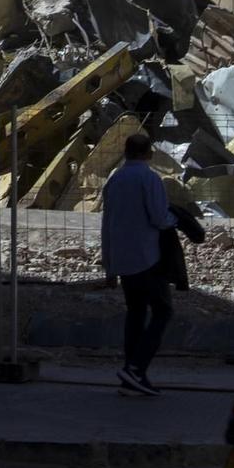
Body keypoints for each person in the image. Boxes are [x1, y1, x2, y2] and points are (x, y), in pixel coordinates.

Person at [100, 132, 176, 396]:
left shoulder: (114, 179)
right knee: (163, 311)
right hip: (147, 257)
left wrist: (108, 265)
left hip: (123, 258)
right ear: (149, 153)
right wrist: (176, 219)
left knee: (135, 314)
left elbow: (106, 223)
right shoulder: (150, 178)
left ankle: (130, 373)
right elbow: (158, 217)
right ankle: (136, 368)